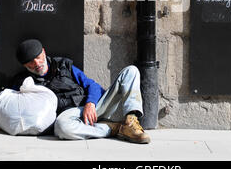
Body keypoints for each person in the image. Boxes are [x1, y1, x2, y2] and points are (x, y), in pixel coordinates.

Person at [13, 38, 151, 144]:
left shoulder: (63, 65)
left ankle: (131, 120)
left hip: (95, 106)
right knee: (62, 128)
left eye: (38, 57)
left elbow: (92, 85)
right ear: (24, 65)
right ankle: (116, 129)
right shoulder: (24, 82)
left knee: (131, 71)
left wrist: (90, 103)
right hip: (70, 115)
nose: (36, 64)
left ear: (43, 52)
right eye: (30, 62)